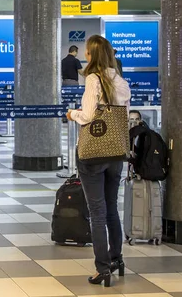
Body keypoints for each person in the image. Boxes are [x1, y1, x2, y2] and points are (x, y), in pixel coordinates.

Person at [66, 35, 131, 287]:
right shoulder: (121, 81)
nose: (86, 57)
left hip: (93, 154)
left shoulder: (94, 79)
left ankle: (102, 268)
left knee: (97, 212)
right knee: (112, 208)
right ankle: (117, 260)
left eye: (88, 53)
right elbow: (123, 115)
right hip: (116, 152)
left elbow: (89, 115)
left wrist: (72, 114)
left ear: (94, 55)